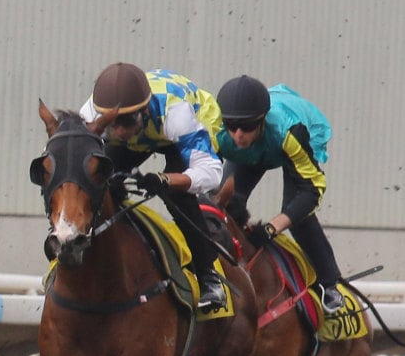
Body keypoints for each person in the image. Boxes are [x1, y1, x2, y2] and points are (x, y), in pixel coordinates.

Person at [78, 63, 228, 313]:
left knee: (177, 194)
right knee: (101, 179)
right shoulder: (90, 115)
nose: (120, 131)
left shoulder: (176, 114)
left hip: (193, 122)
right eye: (114, 124)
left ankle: (209, 277)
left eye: (126, 122)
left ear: (144, 109)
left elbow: (212, 173)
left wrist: (166, 180)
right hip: (149, 130)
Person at [214, 75, 346, 315]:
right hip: (261, 145)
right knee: (223, 204)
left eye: (247, 127)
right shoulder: (217, 131)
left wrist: (272, 228)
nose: (238, 135)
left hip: (296, 134)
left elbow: (312, 190)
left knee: (298, 214)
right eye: (231, 126)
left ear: (262, 121)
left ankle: (331, 284)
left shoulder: (290, 131)